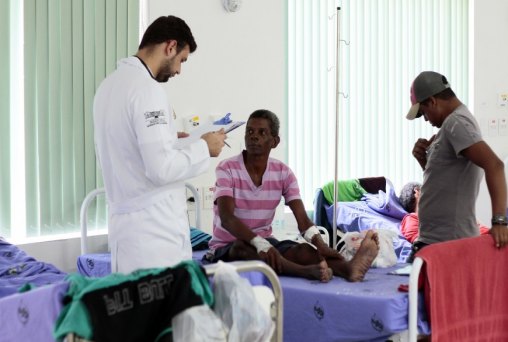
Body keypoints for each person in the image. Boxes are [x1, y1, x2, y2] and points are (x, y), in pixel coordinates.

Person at [93, 16, 226, 274]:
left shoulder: (108, 87)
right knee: (164, 312)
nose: (179, 70)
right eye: (182, 60)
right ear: (170, 46)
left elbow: (130, 149)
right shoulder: (147, 90)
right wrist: (204, 148)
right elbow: (160, 169)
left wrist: (172, 140)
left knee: (137, 310)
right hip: (154, 234)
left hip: (127, 231)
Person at [205, 109, 379, 282]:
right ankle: (304, 272)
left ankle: (348, 269)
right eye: (249, 131)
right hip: (228, 246)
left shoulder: (283, 173)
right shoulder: (226, 168)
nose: (253, 136)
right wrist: (259, 244)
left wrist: (321, 245)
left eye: (262, 132)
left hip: (266, 242)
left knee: (305, 251)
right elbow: (227, 218)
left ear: (275, 141)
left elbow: (303, 221)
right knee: (242, 249)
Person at [406, 71, 508, 260]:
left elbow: (495, 166)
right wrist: (425, 162)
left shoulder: (456, 123)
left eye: (423, 113)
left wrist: (499, 221)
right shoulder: (451, 125)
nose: (426, 119)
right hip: (436, 241)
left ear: (433, 101)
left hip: (447, 243)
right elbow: (448, 180)